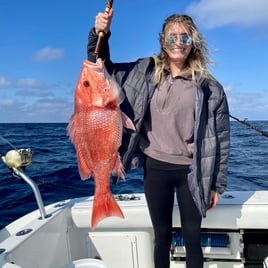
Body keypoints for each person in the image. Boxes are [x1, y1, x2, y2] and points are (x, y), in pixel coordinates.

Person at [87, 9, 230, 268]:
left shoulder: (211, 88)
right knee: (161, 237)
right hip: (155, 168)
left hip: (192, 172)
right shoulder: (145, 71)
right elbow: (100, 64)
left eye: (184, 38)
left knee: (192, 237)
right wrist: (101, 33)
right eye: (171, 37)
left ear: (193, 42)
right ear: (162, 41)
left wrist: (216, 185)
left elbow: (221, 139)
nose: (178, 43)